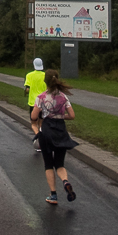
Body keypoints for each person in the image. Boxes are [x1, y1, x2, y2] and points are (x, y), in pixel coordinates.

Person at [30, 69, 78, 205]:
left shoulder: (41, 97)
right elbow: (72, 115)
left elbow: (34, 116)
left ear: (45, 81)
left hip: (46, 131)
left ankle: (53, 195)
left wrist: (43, 115)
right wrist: (61, 116)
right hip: (61, 131)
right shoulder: (64, 97)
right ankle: (65, 181)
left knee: (48, 164)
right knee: (60, 164)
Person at [24, 57, 47, 150]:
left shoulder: (29, 75)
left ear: (34, 65)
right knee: (41, 123)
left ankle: (39, 138)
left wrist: (26, 92)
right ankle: (43, 140)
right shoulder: (45, 75)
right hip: (44, 102)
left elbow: (27, 89)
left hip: (33, 102)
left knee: (33, 123)